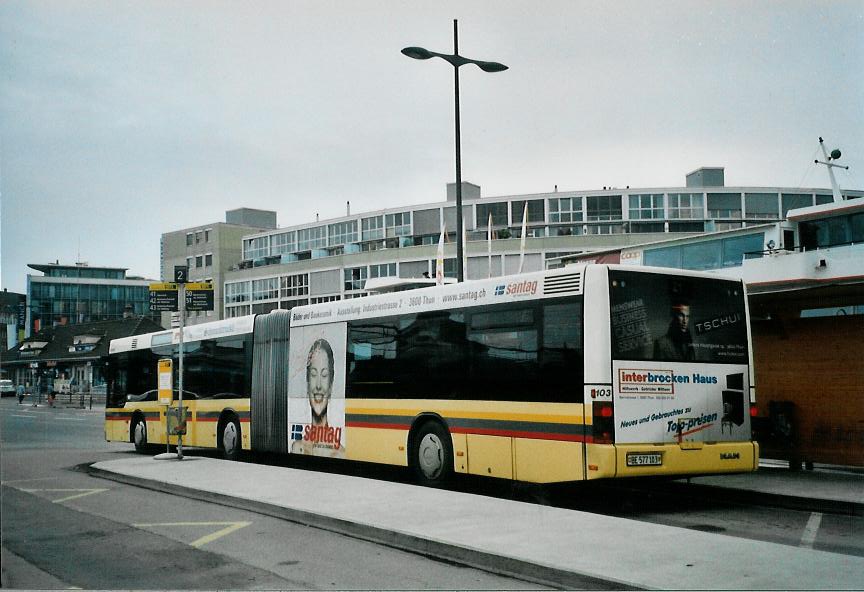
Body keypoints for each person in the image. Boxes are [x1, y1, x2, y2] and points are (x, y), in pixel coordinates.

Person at [291, 338, 343, 457]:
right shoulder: (296, 447)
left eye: (324, 375)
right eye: (313, 375)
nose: (318, 386)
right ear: (307, 381)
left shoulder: (340, 453)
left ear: (331, 383)